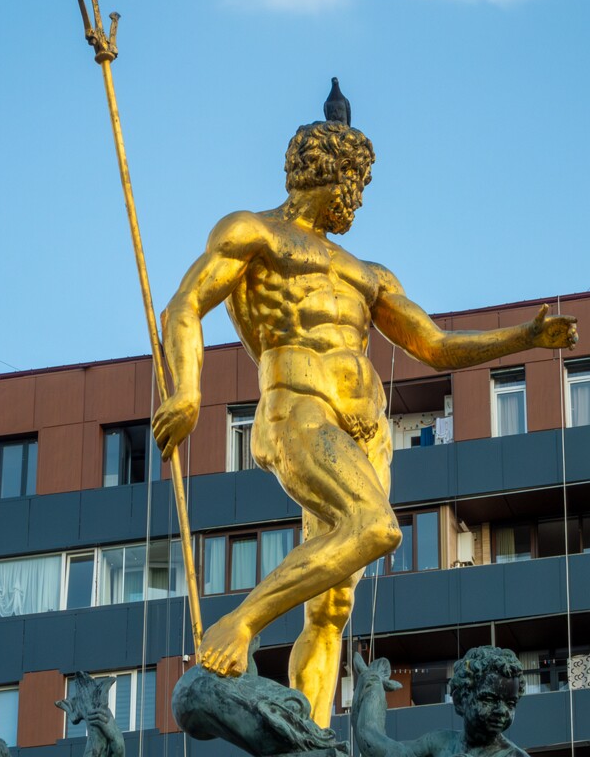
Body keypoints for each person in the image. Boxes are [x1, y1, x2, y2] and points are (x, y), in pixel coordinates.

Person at [152, 119, 577, 728]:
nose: (360, 195)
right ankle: (238, 622)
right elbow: (184, 305)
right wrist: (188, 392)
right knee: (375, 526)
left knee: (332, 606)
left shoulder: (369, 273)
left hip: (367, 429)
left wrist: (527, 338)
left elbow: (433, 344)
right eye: (358, 180)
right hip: (297, 406)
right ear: (330, 172)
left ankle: (313, 729)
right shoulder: (253, 232)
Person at [351, 646, 528, 757]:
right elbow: (379, 748)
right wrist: (372, 685)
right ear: (460, 700)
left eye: (511, 703)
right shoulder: (439, 742)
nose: (501, 710)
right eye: (489, 699)